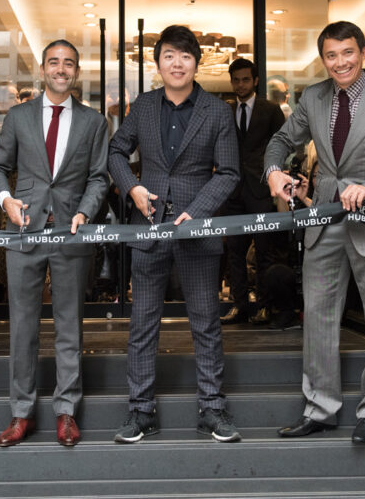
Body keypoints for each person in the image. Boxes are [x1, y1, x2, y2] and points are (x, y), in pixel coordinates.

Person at [264, 21, 365, 444]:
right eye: (331, 55)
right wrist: (275, 171)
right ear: (323, 59)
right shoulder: (313, 97)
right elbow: (281, 139)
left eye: (348, 52)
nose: (340, 62)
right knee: (318, 319)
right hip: (325, 222)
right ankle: (320, 409)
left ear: (363, 52)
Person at [108, 24, 241, 443]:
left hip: (197, 229)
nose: (177, 63)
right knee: (143, 324)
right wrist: (132, 187)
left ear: (196, 63)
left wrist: (195, 213)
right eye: (169, 55)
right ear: (158, 63)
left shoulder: (217, 111)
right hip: (148, 226)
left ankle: (212, 409)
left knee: (206, 321)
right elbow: (116, 151)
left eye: (185, 56)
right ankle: (140, 411)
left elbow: (229, 172)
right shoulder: (144, 106)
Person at [0, 39, 108, 448]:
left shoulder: (94, 122)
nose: (61, 69)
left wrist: (85, 212)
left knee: (69, 327)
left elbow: (99, 177)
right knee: (22, 328)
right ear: (42, 70)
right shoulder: (18, 116)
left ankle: (66, 412)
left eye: (68, 63)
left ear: (76, 72)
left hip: (71, 232)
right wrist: (6, 200)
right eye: (54, 62)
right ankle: (21, 414)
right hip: (24, 231)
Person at [220, 58, 286, 326]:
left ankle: (264, 306)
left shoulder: (270, 110)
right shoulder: (225, 110)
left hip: (260, 188)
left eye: (245, 79)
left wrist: (274, 177)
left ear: (256, 81)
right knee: (234, 252)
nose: (240, 85)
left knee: (263, 251)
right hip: (233, 189)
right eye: (236, 80)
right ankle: (240, 306)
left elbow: (282, 145)